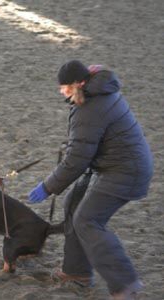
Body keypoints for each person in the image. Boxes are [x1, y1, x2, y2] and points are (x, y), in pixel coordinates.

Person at [28, 60, 153, 299]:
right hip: (116, 165)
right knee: (73, 205)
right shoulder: (98, 92)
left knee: (88, 220)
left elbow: (76, 160)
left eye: (64, 87)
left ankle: (125, 282)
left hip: (126, 171)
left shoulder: (90, 108)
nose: (61, 91)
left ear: (79, 84)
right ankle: (76, 272)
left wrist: (48, 187)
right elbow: (84, 148)